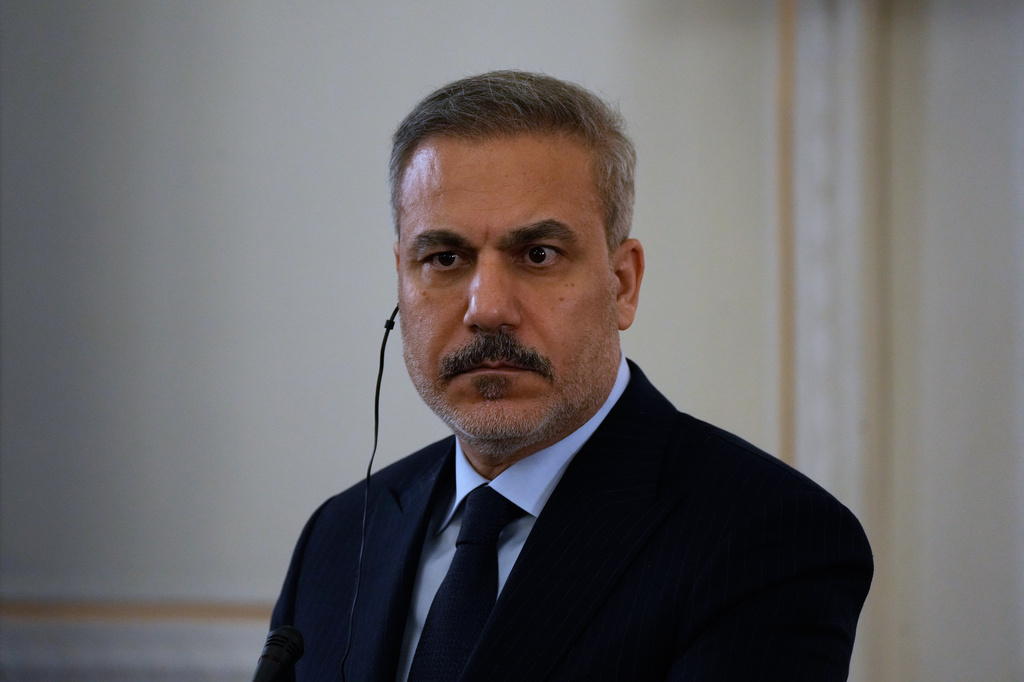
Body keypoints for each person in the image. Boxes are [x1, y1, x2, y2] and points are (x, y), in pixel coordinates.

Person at [270, 70, 873, 681]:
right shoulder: (341, 535)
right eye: (444, 259)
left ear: (623, 284)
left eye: (538, 255)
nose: (488, 309)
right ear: (401, 278)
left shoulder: (768, 540)